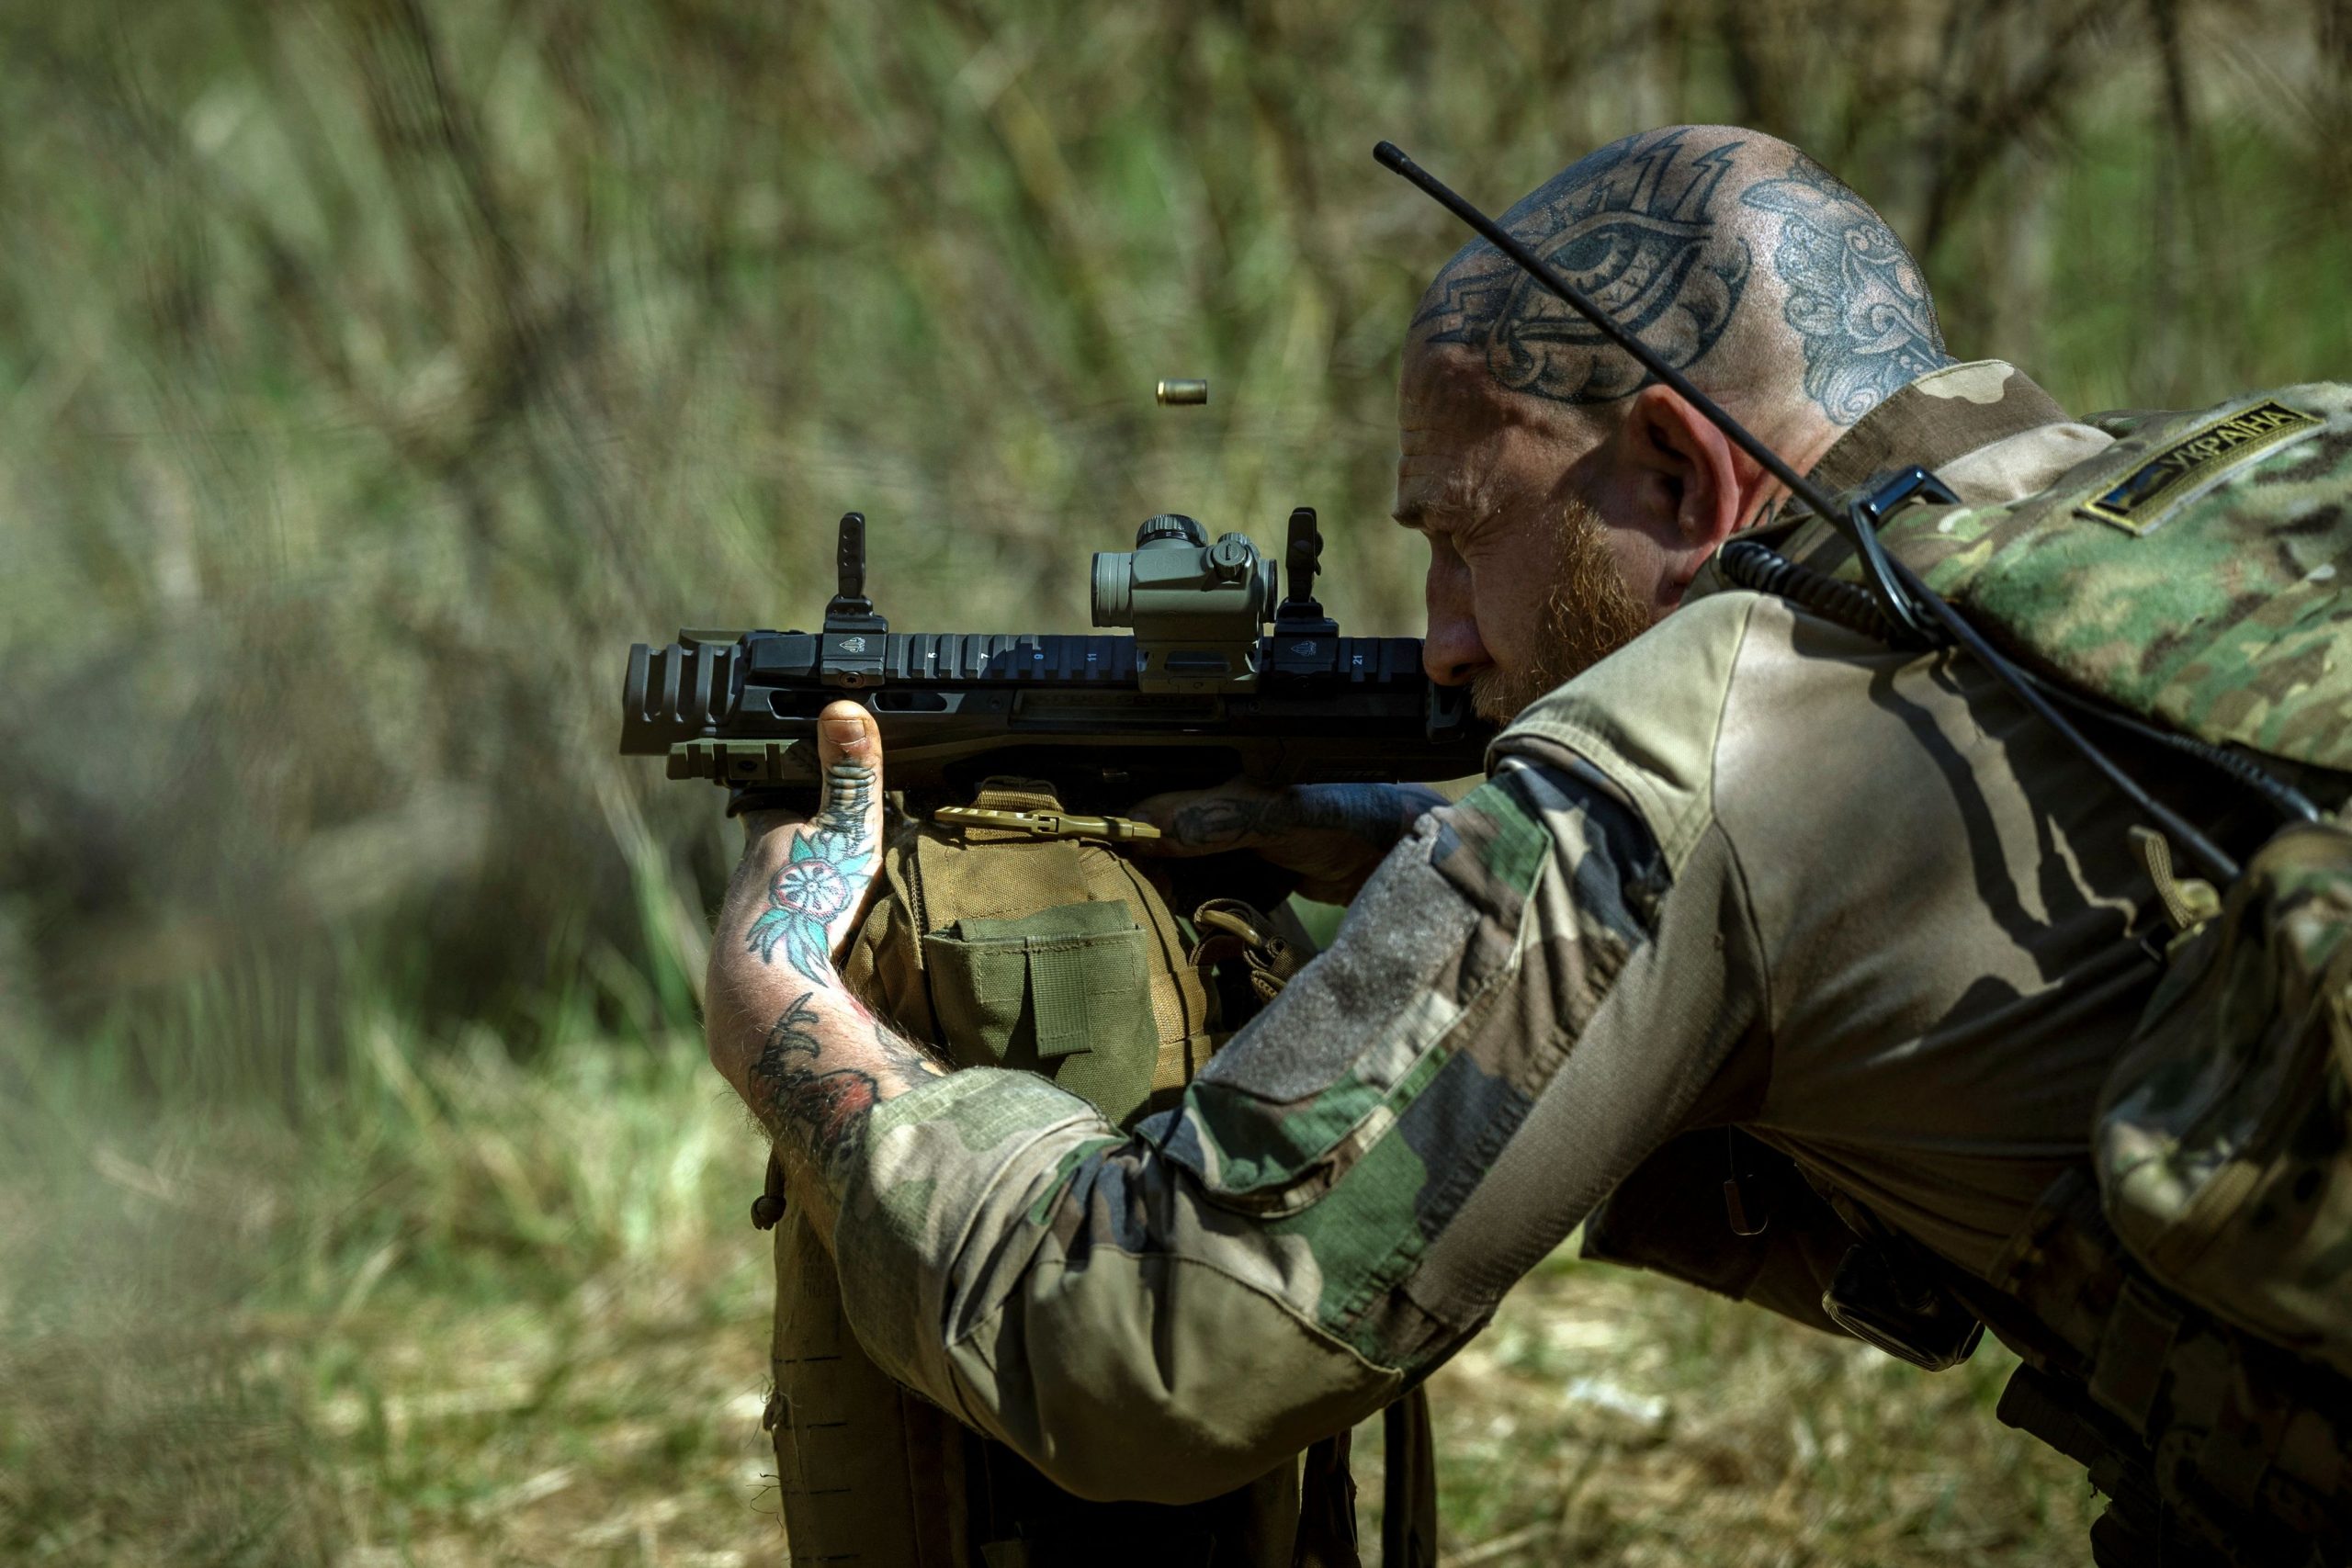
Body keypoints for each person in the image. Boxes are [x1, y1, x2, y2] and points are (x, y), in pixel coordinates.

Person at [702, 125, 2349, 1558]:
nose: (1437, 642)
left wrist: (789, 1015)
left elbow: (1148, 1346)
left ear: (1682, 476)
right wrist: (1459, 862)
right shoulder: (2261, 468)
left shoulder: (1688, 754)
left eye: (1464, 535)